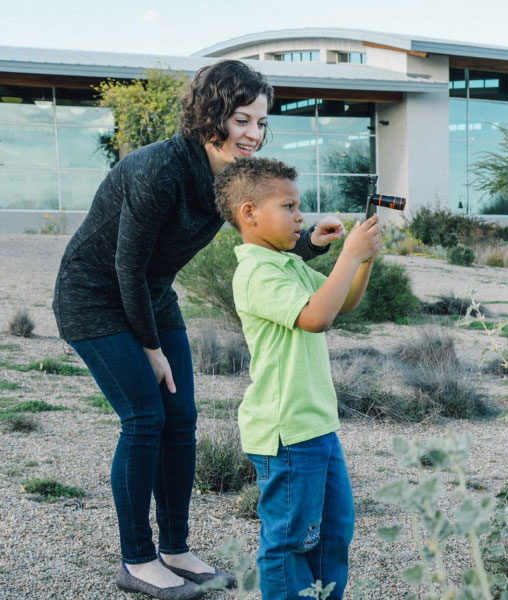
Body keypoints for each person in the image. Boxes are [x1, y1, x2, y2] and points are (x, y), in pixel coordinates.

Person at [52, 60, 344, 600]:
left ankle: (176, 548)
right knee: (144, 417)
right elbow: (125, 267)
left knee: (181, 419)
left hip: (150, 295)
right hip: (93, 297)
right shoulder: (158, 171)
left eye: (261, 122)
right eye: (241, 120)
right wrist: (150, 347)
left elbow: (255, 237)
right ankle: (137, 560)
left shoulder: (227, 177)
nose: (253, 134)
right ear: (211, 115)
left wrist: (310, 247)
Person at [213, 157, 381, 600]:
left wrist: (362, 262)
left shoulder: (286, 264)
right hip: (286, 432)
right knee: (288, 543)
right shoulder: (257, 272)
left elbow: (342, 302)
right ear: (249, 213)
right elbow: (315, 318)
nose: (300, 217)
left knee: (332, 534)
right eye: (288, 206)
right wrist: (347, 254)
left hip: (317, 424)